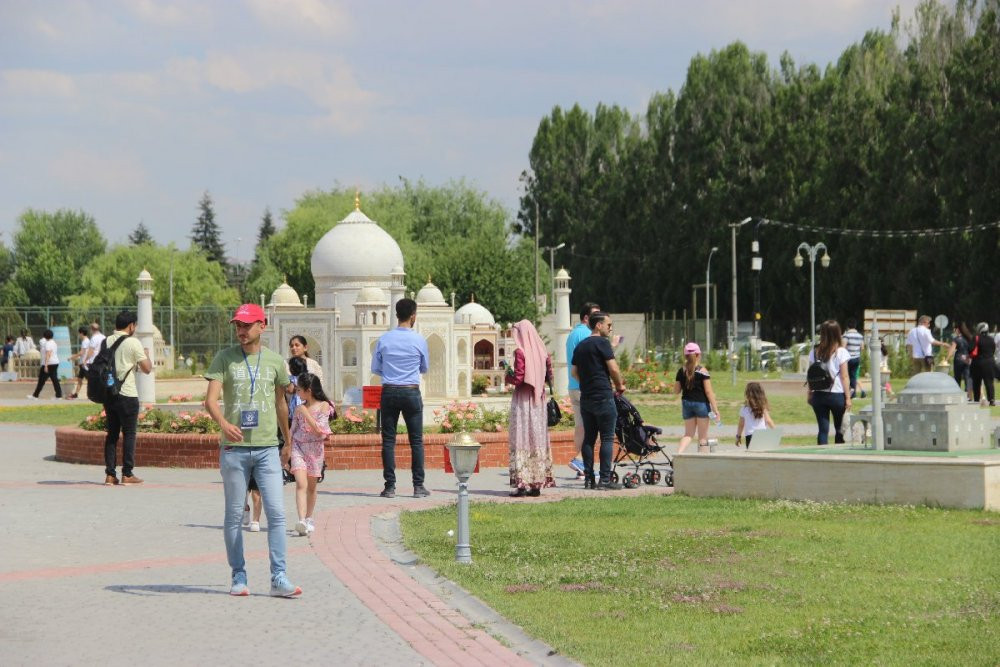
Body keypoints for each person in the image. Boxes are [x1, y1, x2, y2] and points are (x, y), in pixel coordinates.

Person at [204, 303, 301, 598]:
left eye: (247, 325)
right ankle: (239, 575)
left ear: (263, 325)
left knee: (277, 513)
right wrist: (223, 423)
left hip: (267, 448)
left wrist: (287, 440)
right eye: (237, 326)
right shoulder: (224, 359)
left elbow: (281, 403)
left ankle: (279, 577)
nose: (241, 331)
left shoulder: (274, 362)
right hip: (234, 449)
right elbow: (210, 400)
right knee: (234, 514)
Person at [371, 297, 430, 499]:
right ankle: (418, 486)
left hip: (389, 391)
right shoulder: (419, 339)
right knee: (416, 441)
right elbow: (424, 367)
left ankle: (390, 487)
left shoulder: (384, 339)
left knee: (388, 440)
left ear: (396, 315)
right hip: (411, 391)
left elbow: (376, 368)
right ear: (413, 316)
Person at [571, 311, 625, 490]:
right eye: (609, 325)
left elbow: (574, 372)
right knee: (607, 438)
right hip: (603, 395)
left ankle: (588, 479)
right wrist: (619, 386)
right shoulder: (603, 343)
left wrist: (586, 383)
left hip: (586, 397)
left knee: (589, 439)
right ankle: (605, 480)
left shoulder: (581, 346)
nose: (611, 328)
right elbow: (614, 369)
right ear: (598, 325)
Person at [100, 312, 152, 484]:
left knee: (112, 434)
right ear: (131, 325)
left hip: (109, 394)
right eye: (134, 326)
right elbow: (147, 368)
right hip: (127, 394)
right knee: (129, 434)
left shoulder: (106, 341)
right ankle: (127, 473)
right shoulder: (133, 342)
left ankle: (110, 474)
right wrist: (146, 354)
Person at [508, 319, 556, 497]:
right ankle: (536, 484)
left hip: (524, 400)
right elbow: (549, 376)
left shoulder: (520, 352)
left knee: (522, 437)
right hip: (539, 400)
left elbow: (519, 379)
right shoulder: (543, 352)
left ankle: (522, 483)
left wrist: (508, 375)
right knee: (537, 438)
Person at [289, 372, 336, 536]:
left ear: (308, 390)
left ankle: (309, 518)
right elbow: (292, 430)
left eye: (299, 390)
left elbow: (320, 431)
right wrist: (287, 449)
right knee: (301, 484)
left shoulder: (324, 406)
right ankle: (301, 520)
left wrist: (305, 412)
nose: (297, 393)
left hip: (315, 451)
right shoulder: (298, 408)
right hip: (298, 447)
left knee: (311, 487)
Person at [565, 302, 600, 479]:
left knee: (581, 427)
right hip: (585, 385)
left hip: (573, 385)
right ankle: (581, 460)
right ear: (586, 317)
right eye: (596, 315)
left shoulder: (572, 334)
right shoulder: (588, 334)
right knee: (594, 427)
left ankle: (582, 468)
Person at [807, 319, 852, 445]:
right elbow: (844, 377)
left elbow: (811, 374)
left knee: (823, 430)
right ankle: (839, 458)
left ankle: (821, 457)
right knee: (839, 429)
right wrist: (848, 398)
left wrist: (810, 393)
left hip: (818, 394)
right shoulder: (841, 352)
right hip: (836, 394)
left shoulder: (815, 352)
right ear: (837, 333)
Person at [673, 342, 721, 454]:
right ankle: (702, 461)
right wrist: (715, 409)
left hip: (686, 404)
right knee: (702, 437)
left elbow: (676, 391)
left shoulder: (681, 371)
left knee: (688, 434)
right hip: (701, 404)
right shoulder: (703, 371)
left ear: (685, 356)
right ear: (698, 354)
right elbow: (708, 392)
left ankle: (678, 455)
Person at [735, 382, 775, 449]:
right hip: (763, 435)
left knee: (752, 456)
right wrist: (775, 431)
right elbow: (768, 421)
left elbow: (741, 424)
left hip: (750, 436)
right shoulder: (762, 407)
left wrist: (738, 437)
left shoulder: (744, 409)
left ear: (747, 394)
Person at [28, 329, 62, 400]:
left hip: (49, 364)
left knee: (42, 380)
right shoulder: (53, 342)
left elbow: (48, 354)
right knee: (54, 380)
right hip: (55, 363)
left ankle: (35, 396)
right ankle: (58, 395)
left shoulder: (48, 343)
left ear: (45, 336)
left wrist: (46, 365)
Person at [969, 322, 996, 406]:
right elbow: (993, 350)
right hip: (989, 362)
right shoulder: (991, 339)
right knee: (989, 382)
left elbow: (970, 349)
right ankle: (991, 400)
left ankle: (977, 400)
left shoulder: (976, 338)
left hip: (978, 363)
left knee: (977, 382)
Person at [948, 322, 974, 400]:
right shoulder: (969, 338)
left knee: (957, 377)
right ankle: (968, 395)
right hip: (968, 358)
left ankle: (957, 394)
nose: (954, 331)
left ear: (958, 330)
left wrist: (947, 359)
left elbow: (952, 350)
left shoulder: (956, 339)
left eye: (955, 329)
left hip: (959, 359)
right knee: (968, 377)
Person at [66, 326, 92, 399]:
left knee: (90, 380)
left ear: (81, 333)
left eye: (79, 333)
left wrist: (71, 357)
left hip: (85, 364)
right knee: (80, 380)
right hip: (82, 364)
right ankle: (76, 394)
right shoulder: (86, 341)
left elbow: (81, 353)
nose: (78, 335)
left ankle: (92, 394)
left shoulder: (85, 341)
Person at [843, 318, 865, 398]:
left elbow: (843, 347)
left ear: (848, 326)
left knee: (846, 376)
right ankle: (853, 393)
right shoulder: (860, 336)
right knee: (853, 376)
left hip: (848, 359)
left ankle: (849, 393)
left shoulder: (846, 335)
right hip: (857, 358)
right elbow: (862, 347)